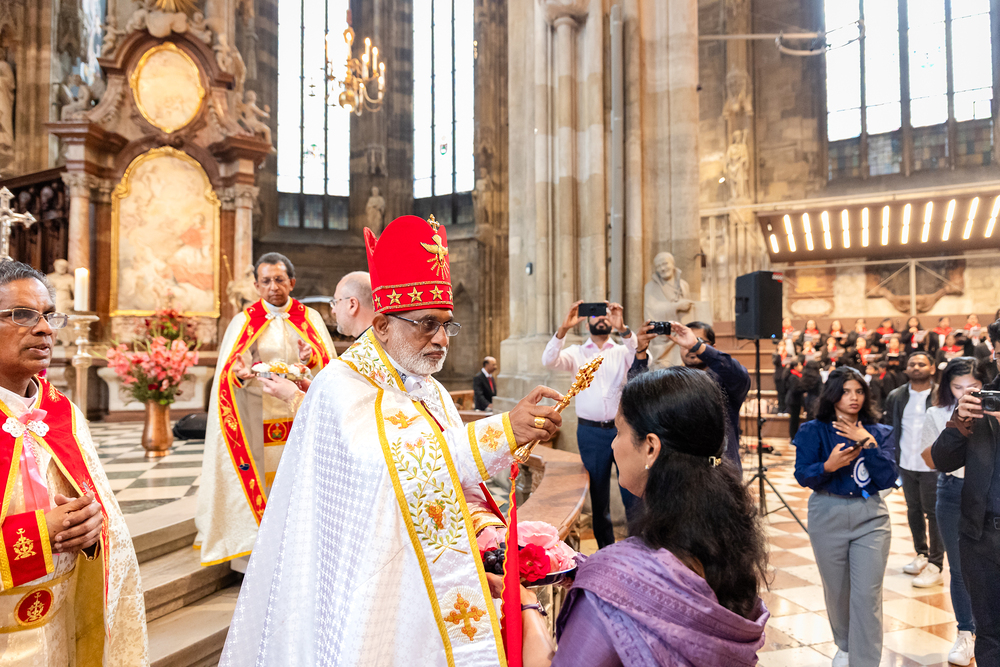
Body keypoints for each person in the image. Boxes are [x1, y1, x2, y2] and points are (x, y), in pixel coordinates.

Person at [220, 215, 564, 666]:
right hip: (368, 583)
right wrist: (502, 431)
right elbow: (389, 472)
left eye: (447, 325)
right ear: (382, 324)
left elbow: (453, 478)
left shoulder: (428, 386)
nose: (441, 340)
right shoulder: (340, 384)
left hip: (425, 574)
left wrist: (487, 526)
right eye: (426, 324)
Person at [516, 367, 770, 666]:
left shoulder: (613, 581)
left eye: (619, 431)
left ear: (651, 447)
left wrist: (527, 605)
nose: (613, 444)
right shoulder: (728, 541)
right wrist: (578, 568)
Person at [0, 260, 147, 664]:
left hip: (59, 630)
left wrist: (92, 527)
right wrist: (40, 532)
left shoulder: (62, 412)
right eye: (22, 315)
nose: (44, 329)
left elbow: (98, 510)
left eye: (49, 316)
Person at [196, 252, 337, 570]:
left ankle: (301, 548)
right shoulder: (243, 321)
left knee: (300, 478)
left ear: (292, 282)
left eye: (279, 279)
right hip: (257, 415)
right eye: (266, 281)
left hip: (299, 412)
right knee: (264, 480)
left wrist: (310, 357)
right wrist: (240, 373)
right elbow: (229, 374)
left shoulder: (310, 318)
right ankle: (258, 554)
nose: (274, 287)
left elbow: (328, 366)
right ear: (257, 286)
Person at [793, 367, 897, 667]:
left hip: (870, 516)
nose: (854, 397)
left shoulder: (879, 431)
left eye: (859, 391)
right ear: (833, 394)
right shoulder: (813, 430)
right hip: (827, 513)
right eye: (847, 391)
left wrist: (868, 443)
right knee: (837, 591)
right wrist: (828, 466)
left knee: (867, 595)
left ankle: (865, 662)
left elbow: (888, 478)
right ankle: (846, 646)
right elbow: (803, 474)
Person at [931, 318, 1000, 667]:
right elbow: (943, 460)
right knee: (988, 634)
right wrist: (959, 421)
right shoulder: (983, 399)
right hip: (982, 534)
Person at [543, 300, 638, 548]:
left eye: (606, 314)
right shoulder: (576, 353)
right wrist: (564, 328)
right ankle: (606, 548)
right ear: (586, 323)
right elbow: (549, 360)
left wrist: (623, 328)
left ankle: (638, 547)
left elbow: (639, 353)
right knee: (598, 496)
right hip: (590, 433)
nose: (601, 318)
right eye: (595, 315)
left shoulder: (621, 351)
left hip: (622, 431)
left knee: (633, 492)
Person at [919, 357, 984, 666]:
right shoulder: (937, 413)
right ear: (947, 387)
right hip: (952, 489)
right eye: (958, 387)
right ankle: (966, 632)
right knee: (958, 567)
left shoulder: (993, 410)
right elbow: (929, 458)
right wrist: (956, 431)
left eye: (973, 386)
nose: (966, 393)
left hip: (988, 489)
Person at [881, 351, 941, 586]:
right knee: (913, 510)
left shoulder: (940, 395)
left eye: (922, 364)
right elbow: (889, 428)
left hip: (933, 465)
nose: (916, 367)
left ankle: (936, 563)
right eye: (912, 364)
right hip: (906, 462)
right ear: (906, 369)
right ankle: (921, 554)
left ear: (932, 368)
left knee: (933, 513)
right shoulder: (896, 396)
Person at [332, 270, 376, 338]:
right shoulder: (389, 342)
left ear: (352, 305)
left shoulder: (362, 345)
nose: (333, 311)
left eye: (336, 302)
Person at [787, 356, 822, 440]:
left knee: (809, 420)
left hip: (808, 400)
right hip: (815, 399)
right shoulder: (817, 377)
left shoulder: (805, 376)